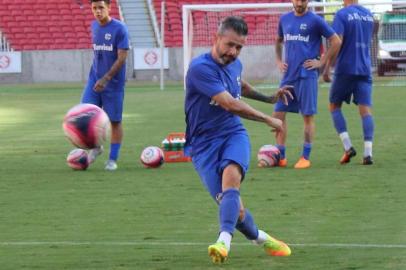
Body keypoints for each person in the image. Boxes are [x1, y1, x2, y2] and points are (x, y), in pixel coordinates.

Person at [184, 16, 293, 264]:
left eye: (239, 47)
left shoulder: (235, 63)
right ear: (216, 38)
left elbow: (238, 86)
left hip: (233, 133)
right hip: (202, 146)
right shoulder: (200, 68)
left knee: (231, 179)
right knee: (236, 209)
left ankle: (223, 242)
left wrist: (267, 97)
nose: (233, 52)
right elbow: (230, 103)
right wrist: (269, 119)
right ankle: (261, 238)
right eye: (230, 45)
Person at [273, 0, 341, 169]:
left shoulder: (316, 20)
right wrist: (279, 61)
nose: (299, 3)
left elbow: (336, 41)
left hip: (307, 75)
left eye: (303, 0)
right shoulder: (284, 19)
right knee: (278, 115)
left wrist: (322, 62)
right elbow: (278, 40)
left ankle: (305, 157)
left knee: (307, 117)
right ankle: (281, 156)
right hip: (288, 76)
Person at [322, 0, 375, 165]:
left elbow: (338, 42)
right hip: (365, 68)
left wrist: (326, 68)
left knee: (334, 106)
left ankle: (348, 147)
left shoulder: (342, 14)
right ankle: (368, 153)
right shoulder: (368, 15)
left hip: (345, 68)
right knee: (365, 111)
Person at [82, 0, 130, 171]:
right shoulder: (94, 26)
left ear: (109, 8)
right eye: (94, 8)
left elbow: (122, 57)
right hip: (94, 80)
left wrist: (106, 78)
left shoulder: (120, 29)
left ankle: (112, 159)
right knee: (85, 115)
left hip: (113, 84)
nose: (97, 11)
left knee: (115, 122)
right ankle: (96, 147)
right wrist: (96, 77)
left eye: (101, 7)